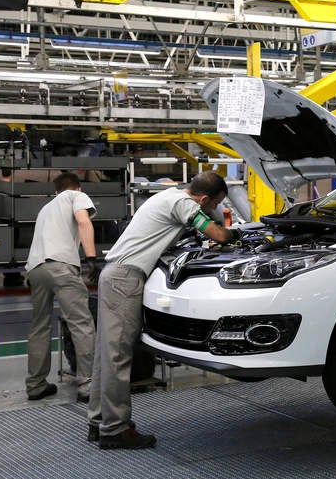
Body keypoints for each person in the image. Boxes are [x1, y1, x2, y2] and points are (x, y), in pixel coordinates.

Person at [88, 171, 236, 450]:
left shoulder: (167, 195)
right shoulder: (185, 204)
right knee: (118, 356)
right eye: (214, 204)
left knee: (105, 356)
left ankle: (99, 422)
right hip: (125, 279)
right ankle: (115, 430)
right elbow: (218, 234)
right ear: (203, 198)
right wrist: (234, 233)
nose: (213, 209)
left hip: (114, 275)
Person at [25, 172, 97, 402]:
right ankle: (87, 384)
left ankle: (36, 384)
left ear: (55, 191)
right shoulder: (76, 196)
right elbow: (84, 221)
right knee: (81, 324)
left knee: (39, 327)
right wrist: (91, 257)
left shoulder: (45, 208)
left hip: (35, 269)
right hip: (61, 266)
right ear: (78, 188)